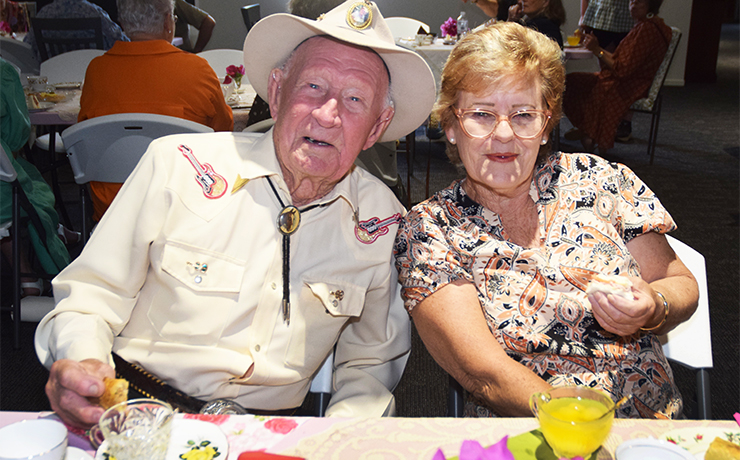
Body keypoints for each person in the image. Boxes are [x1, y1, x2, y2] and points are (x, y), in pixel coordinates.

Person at [35, 0, 436, 428]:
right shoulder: (178, 165)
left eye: (355, 98)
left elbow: (370, 365)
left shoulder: (383, 224)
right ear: (277, 93)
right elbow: (90, 297)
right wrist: (83, 363)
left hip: (271, 433)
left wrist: (338, 436)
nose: (327, 114)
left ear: (377, 126)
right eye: (313, 86)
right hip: (137, 412)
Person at [393, 22, 698, 419]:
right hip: (530, 427)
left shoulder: (599, 179)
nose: (504, 134)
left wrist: (655, 307)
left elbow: (678, 281)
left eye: (523, 115)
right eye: (482, 114)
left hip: (651, 427)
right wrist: (575, 419)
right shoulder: (431, 229)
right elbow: (484, 374)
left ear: (545, 127)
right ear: (451, 126)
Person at [78, 0, 233, 222]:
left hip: (114, 212)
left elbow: (85, 141)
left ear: (123, 23)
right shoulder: (198, 70)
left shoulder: (96, 71)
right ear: (168, 23)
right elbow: (224, 133)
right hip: (184, 207)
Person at [0, 58, 72, 296]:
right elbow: (16, 137)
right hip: (6, 199)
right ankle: (30, 275)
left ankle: (55, 232)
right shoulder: (3, 72)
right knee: (25, 186)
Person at [563, 0, 672, 152]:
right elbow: (619, 60)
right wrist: (596, 48)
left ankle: (591, 135)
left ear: (651, 4)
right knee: (569, 81)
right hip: (624, 78)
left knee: (595, 87)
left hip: (631, 85)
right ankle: (587, 129)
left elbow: (623, 69)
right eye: (631, 1)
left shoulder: (648, 29)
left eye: (638, 2)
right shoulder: (643, 25)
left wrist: (597, 50)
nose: (632, 5)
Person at [23, 0, 128, 61]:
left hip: (53, 78)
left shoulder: (44, 14)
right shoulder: (94, 12)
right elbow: (121, 41)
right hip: (92, 76)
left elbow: (28, 45)